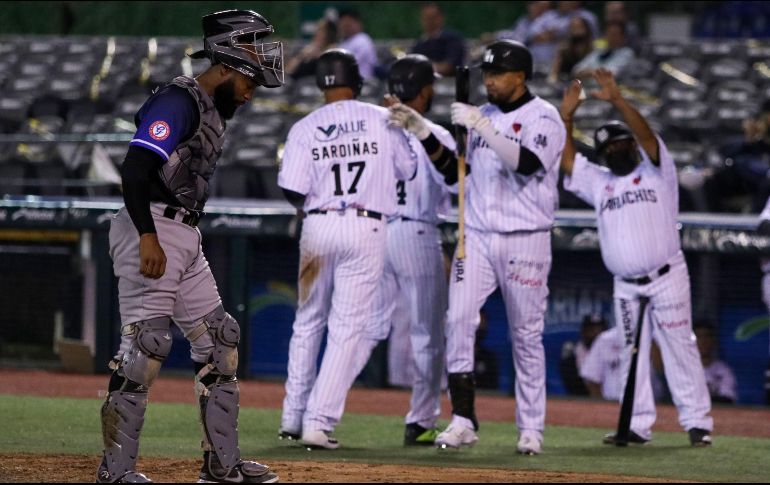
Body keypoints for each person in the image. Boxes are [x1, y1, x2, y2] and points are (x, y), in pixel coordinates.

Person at [97, 10, 283, 484]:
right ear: (225, 63)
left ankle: (222, 467)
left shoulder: (211, 107)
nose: (250, 90)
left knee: (220, 342)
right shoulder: (178, 101)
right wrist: (147, 236)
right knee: (145, 347)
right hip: (152, 226)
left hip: (181, 233)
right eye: (247, 79)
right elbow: (136, 170)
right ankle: (115, 472)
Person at [389, 39, 566, 455]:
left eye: (497, 73)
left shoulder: (544, 117)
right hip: (479, 238)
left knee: (525, 335)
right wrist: (423, 132)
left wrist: (484, 128)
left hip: (527, 238)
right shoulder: (478, 115)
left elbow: (527, 164)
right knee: (459, 322)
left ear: (520, 77)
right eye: (485, 73)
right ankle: (464, 419)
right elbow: (454, 173)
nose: (489, 80)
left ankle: (531, 428)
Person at [559, 69, 714, 447]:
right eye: (606, 149)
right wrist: (566, 118)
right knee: (631, 353)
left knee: (680, 345)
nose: (613, 150)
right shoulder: (600, 181)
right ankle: (637, 424)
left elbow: (646, 135)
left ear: (632, 145)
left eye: (619, 144)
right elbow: (567, 162)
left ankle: (697, 423)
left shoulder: (658, 170)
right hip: (626, 285)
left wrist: (617, 101)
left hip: (666, 276)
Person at [277, 48, 418, 449]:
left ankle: (292, 415)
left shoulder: (305, 126)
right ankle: (317, 422)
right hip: (365, 227)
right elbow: (408, 171)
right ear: (356, 81)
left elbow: (292, 188)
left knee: (307, 321)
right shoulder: (382, 119)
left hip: (318, 226)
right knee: (346, 330)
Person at [345, 54, 455, 446]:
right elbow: (459, 187)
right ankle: (421, 420)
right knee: (427, 335)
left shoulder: (372, 127)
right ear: (425, 91)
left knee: (363, 328)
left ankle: (320, 410)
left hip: (373, 232)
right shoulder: (436, 134)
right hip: (415, 232)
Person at [410, 2, 466, 76]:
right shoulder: (419, 43)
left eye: (432, 18)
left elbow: (449, 66)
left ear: (441, 17)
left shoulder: (452, 39)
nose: (429, 22)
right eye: (425, 18)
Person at [559, 313, 607, 395]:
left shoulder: (613, 354)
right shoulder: (572, 358)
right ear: (583, 332)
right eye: (591, 330)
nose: (596, 334)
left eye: (600, 330)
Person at [694, 323, 738, 404]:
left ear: (714, 341)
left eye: (707, 336)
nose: (703, 341)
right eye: (699, 337)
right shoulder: (685, 370)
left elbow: (728, 399)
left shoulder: (724, 370)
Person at [548, 16, 594, 84]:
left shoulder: (591, 48)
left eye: (579, 27)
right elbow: (555, 69)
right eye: (573, 27)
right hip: (563, 80)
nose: (576, 30)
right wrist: (552, 80)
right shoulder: (564, 47)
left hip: (583, 82)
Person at [337, 8, 378, 79]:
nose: (345, 28)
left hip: (364, 83)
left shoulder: (363, 40)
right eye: (343, 25)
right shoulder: (343, 42)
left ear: (358, 23)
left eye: (348, 25)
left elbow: (349, 64)